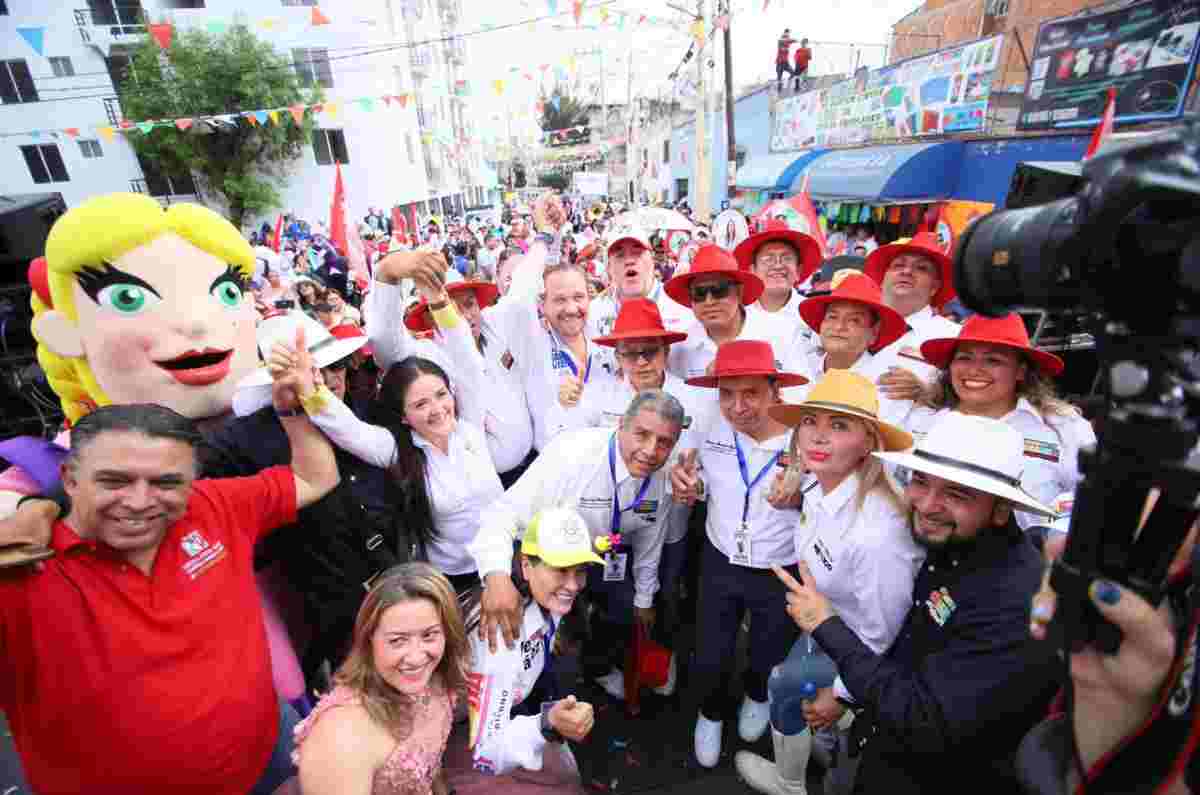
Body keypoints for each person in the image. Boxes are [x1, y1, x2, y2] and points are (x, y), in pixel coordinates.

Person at [0, 358, 340, 793]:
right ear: (68, 479)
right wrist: (30, 508)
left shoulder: (213, 505)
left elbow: (314, 477)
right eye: (114, 481)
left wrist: (292, 411)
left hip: (268, 759)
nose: (140, 501)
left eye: (166, 482)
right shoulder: (20, 570)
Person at [776, 412, 1061, 795]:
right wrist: (847, 694)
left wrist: (827, 627)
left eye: (957, 493)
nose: (927, 505)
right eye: (920, 481)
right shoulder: (951, 544)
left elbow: (924, 720)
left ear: (1001, 508)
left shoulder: (1013, 601)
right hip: (879, 742)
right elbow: (911, 646)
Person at [735, 370, 921, 795]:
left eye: (838, 426)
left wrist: (841, 694)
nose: (817, 437)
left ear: (868, 442)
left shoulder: (878, 533)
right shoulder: (821, 487)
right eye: (810, 421)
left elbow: (884, 635)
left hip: (862, 650)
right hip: (826, 626)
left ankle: (791, 783)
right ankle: (821, 745)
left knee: (784, 683)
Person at [468, 390, 686, 706]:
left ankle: (596, 667)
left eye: (665, 442)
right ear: (621, 424)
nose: (651, 451)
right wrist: (496, 577)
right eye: (642, 434)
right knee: (542, 647)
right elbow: (502, 514)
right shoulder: (571, 454)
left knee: (623, 612)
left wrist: (644, 598)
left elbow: (650, 538)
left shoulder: (665, 474)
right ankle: (532, 703)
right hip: (550, 562)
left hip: (606, 556)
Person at [669, 340, 809, 767]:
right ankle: (710, 714)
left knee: (769, 648)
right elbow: (703, 479)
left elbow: (828, 503)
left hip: (779, 566)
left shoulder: (802, 438)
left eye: (751, 393)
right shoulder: (710, 427)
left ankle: (756, 694)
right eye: (727, 394)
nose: (738, 406)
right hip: (721, 558)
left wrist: (801, 498)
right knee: (711, 651)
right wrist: (690, 485)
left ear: (775, 391)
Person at [446, 508, 599, 793]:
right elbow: (486, 757)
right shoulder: (500, 636)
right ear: (526, 566)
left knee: (564, 774)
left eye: (580, 571)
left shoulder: (544, 600)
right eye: (560, 569)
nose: (573, 584)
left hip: (486, 720)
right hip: (445, 739)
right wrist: (546, 722)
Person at [294, 563, 468, 795]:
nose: (417, 658)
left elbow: (430, 768)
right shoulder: (339, 736)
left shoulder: (436, 677)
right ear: (368, 642)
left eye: (429, 635)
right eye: (397, 640)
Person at [912, 312, 1096, 529]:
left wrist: (1053, 532)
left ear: (1021, 371)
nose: (974, 369)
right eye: (964, 357)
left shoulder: (1063, 427)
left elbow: (1093, 495)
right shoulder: (921, 422)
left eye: (993, 360)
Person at [368, 250, 535, 481]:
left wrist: (548, 236)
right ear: (429, 316)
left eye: (470, 304)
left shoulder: (497, 327)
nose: (466, 316)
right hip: (481, 486)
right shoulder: (424, 357)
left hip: (532, 466)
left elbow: (524, 291)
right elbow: (384, 343)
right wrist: (386, 273)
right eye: (452, 309)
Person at [793, 271, 912, 424]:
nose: (839, 326)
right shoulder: (799, 364)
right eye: (832, 317)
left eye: (854, 320)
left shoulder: (888, 387)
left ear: (873, 333)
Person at [863, 231, 960, 398]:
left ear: (934, 287)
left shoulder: (953, 336)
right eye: (898, 265)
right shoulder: (853, 323)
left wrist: (931, 393)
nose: (907, 271)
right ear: (883, 278)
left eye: (921, 268)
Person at [587, 228, 691, 376]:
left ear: (652, 260)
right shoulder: (592, 313)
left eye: (637, 253)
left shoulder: (682, 307)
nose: (629, 261)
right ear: (609, 268)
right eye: (620, 255)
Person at [663, 244, 772, 381]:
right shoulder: (679, 350)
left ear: (739, 292)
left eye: (719, 290)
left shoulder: (777, 333)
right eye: (699, 293)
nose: (709, 301)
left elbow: (800, 394)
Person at [734, 220, 823, 359]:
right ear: (752, 270)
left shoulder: (815, 316)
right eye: (768, 259)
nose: (777, 266)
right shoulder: (736, 314)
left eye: (786, 258)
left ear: (798, 270)